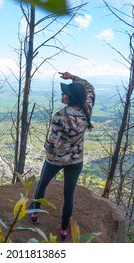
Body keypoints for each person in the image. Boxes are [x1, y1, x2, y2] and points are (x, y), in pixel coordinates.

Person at [29, 71, 95, 240]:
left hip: (56, 160)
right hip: (76, 160)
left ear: (70, 98)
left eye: (65, 93)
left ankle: (35, 214)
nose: (62, 94)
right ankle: (64, 230)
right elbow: (89, 87)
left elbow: (53, 145)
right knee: (69, 195)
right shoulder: (87, 107)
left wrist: (46, 147)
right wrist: (73, 77)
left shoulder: (61, 116)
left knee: (42, 185)